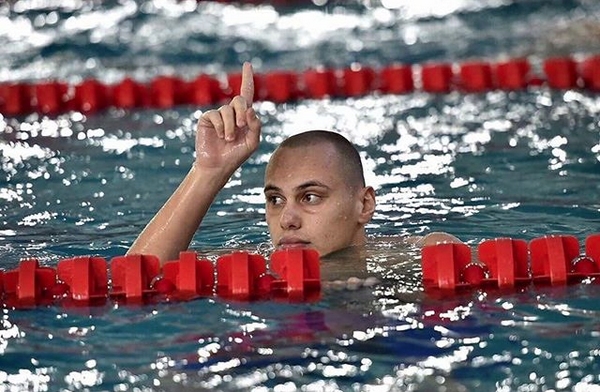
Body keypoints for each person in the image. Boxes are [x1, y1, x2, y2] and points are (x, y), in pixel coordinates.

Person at [127, 62, 460, 267]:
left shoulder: (421, 257)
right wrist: (208, 172)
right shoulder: (251, 265)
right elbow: (136, 276)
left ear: (365, 205)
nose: (286, 220)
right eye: (275, 200)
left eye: (310, 197)